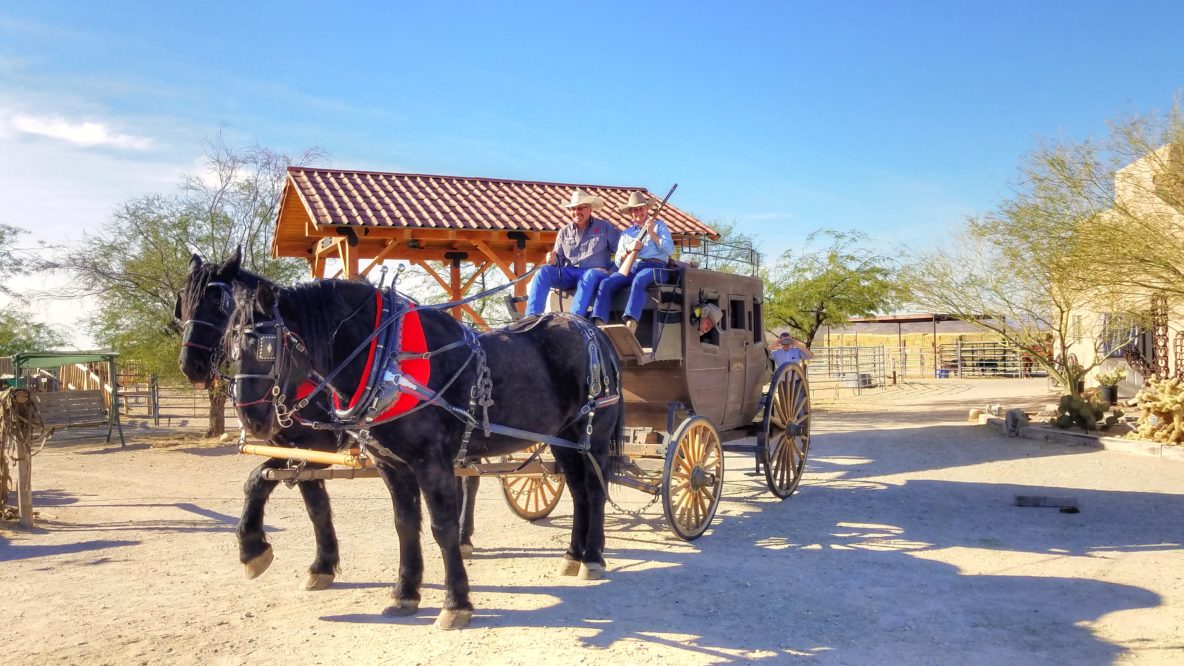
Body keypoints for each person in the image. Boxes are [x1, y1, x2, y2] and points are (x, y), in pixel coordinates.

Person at [525, 189, 621, 316]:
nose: (576, 212)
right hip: (570, 272)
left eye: (581, 208)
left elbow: (622, 253)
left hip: (595, 273)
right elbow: (559, 262)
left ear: (590, 209)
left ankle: (575, 319)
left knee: (589, 275)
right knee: (543, 272)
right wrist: (553, 261)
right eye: (573, 209)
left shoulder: (604, 227)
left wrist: (610, 272)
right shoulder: (564, 232)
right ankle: (531, 317)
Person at [590, 191, 676, 332]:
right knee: (606, 283)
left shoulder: (659, 226)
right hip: (633, 267)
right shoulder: (627, 233)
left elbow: (670, 250)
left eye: (641, 208)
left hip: (657, 267)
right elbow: (618, 261)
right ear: (631, 213)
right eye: (635, 210)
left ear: (647, 209)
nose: (638, 212)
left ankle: (631, 323)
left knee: (639, 280)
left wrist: (652, 234)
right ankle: (599, 325)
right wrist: (629, 251)